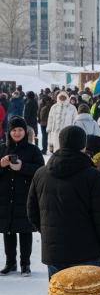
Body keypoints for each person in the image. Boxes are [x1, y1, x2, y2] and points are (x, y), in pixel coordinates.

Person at [28, 126, 100, 278]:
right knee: (86, 293)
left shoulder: (41, 173)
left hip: (55, 252)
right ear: (84, 147)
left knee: (60, 293)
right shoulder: (94, 176)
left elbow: (32, 212)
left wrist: (51, 233)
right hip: (87, 251)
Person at [0, 117, 45, 276]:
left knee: (25, 230)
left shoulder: (33, 150)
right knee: (8, 230)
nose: (17, 133)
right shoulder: (2, 149)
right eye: (14, 130)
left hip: (25, 196)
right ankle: (10, 262)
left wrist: (22, 167)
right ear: (9, 132)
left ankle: (25, 263)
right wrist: (1, 165)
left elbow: (41, 170)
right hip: (5, 197)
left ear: (25, 131)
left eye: (20, 130)